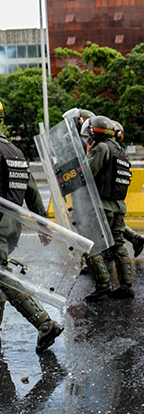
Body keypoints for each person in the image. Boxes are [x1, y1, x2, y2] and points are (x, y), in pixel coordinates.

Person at [0, 101, 64, 352]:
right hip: (13, 226)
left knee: (2, 276)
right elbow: (32, 192)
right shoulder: (15, 151)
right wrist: (42, 224)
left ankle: (44, 322)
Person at [82, 115, 135, 300]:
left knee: (92, 245)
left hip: (101, 205)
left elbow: (87, 172)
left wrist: (88, 154)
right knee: (118, 246)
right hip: (118, 205)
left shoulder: (102, 148)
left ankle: (103, 286)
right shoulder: (120, 150)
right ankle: (126, 286)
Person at [112, 121, 144, 258]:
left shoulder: (105, 149)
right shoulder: (119, 150)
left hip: (108, 193)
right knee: (114, 222)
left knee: (107, 222)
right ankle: (134, 237)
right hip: (116, 193)